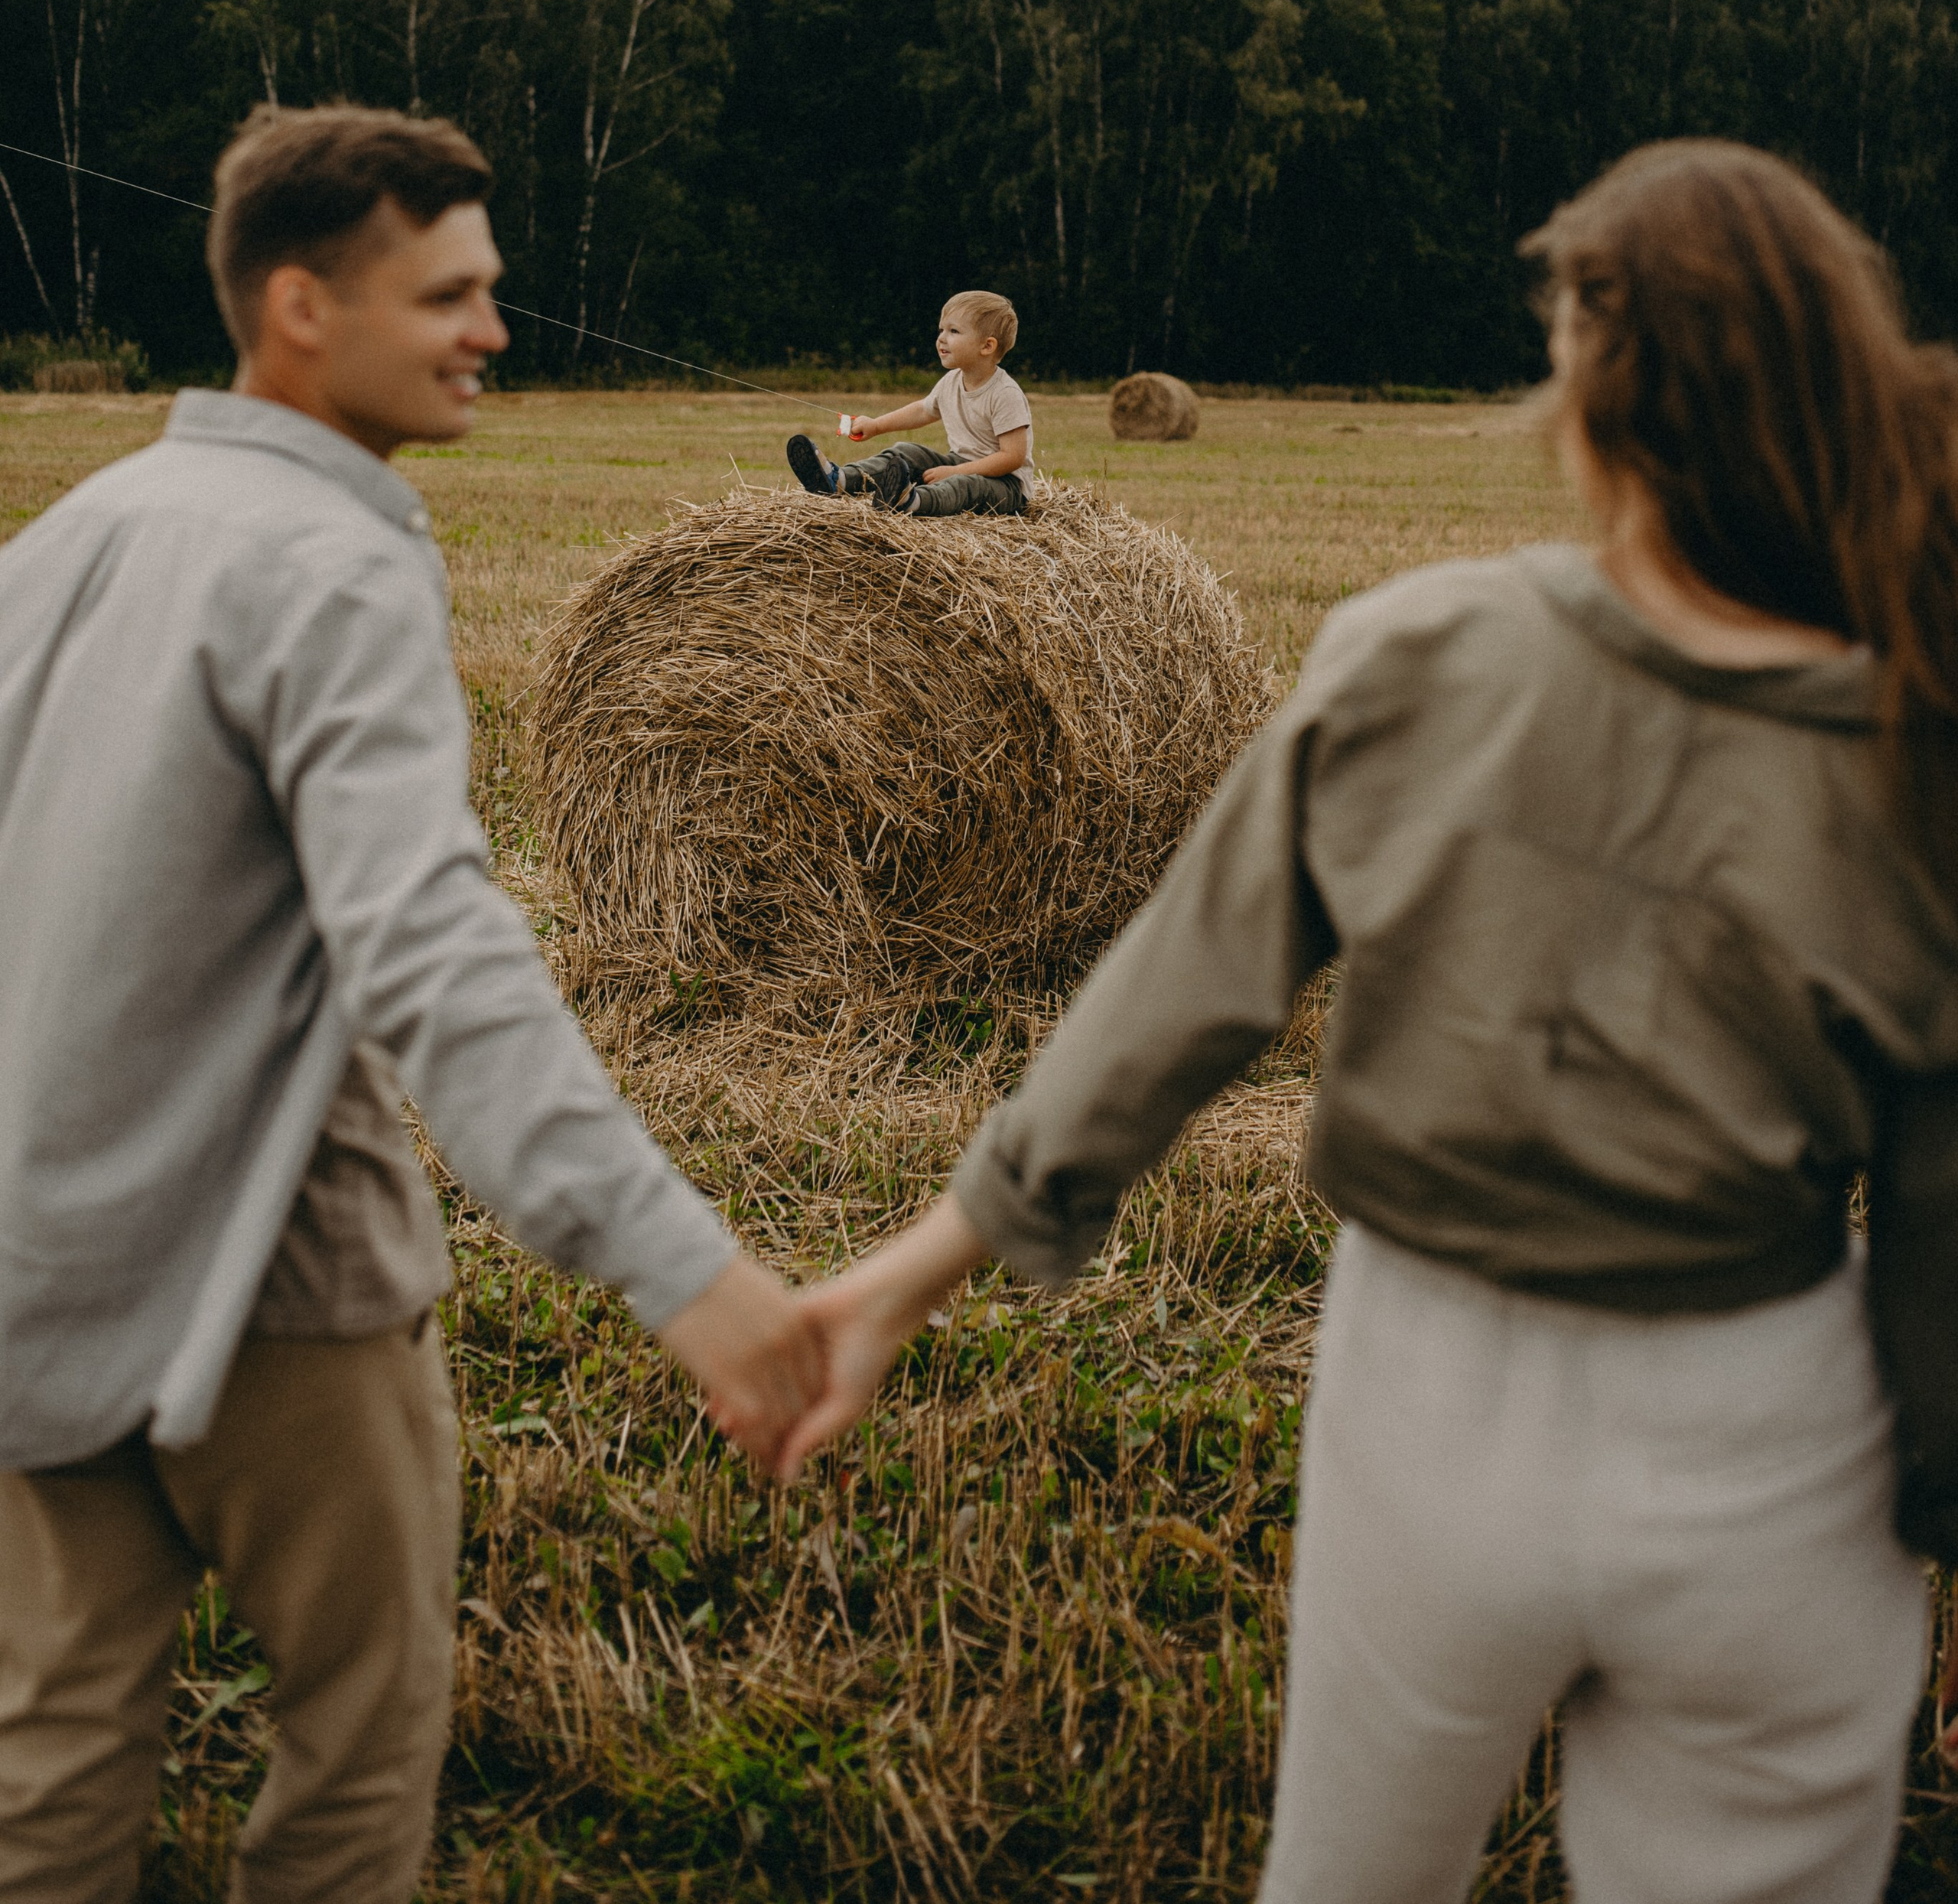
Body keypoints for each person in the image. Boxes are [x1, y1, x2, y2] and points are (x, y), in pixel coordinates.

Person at [779, 140, 1958, 1904]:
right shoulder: (1910, 740)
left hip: (1435, 1394)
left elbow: (1176, 993)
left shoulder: (1426, 649)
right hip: (1771, 1440)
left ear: (1577, 375)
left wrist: (904, 1269)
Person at [0, 105, 824, 1904]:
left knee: (51, 1755)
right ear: (301, 302)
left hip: (41, 1253)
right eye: (448, 291)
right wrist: (682, 1264)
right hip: (281, 1266)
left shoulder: (71, 535)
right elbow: (435, 950)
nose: (491, 330)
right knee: (361, 1736)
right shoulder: (335, 557)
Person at [787, 290, 1034, 516]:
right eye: (941, 330)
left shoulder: (1005, 393)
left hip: (1007, 486)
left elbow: (1011, 457)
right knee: (908, 452)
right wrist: (876, 425)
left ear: (987, 346)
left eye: (954, 331)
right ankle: (840, 480)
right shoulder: (952, 381)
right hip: (962, 463)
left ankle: (911, 502)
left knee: (964, 485)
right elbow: (923, 410)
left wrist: (956, 472)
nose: (942, 339)